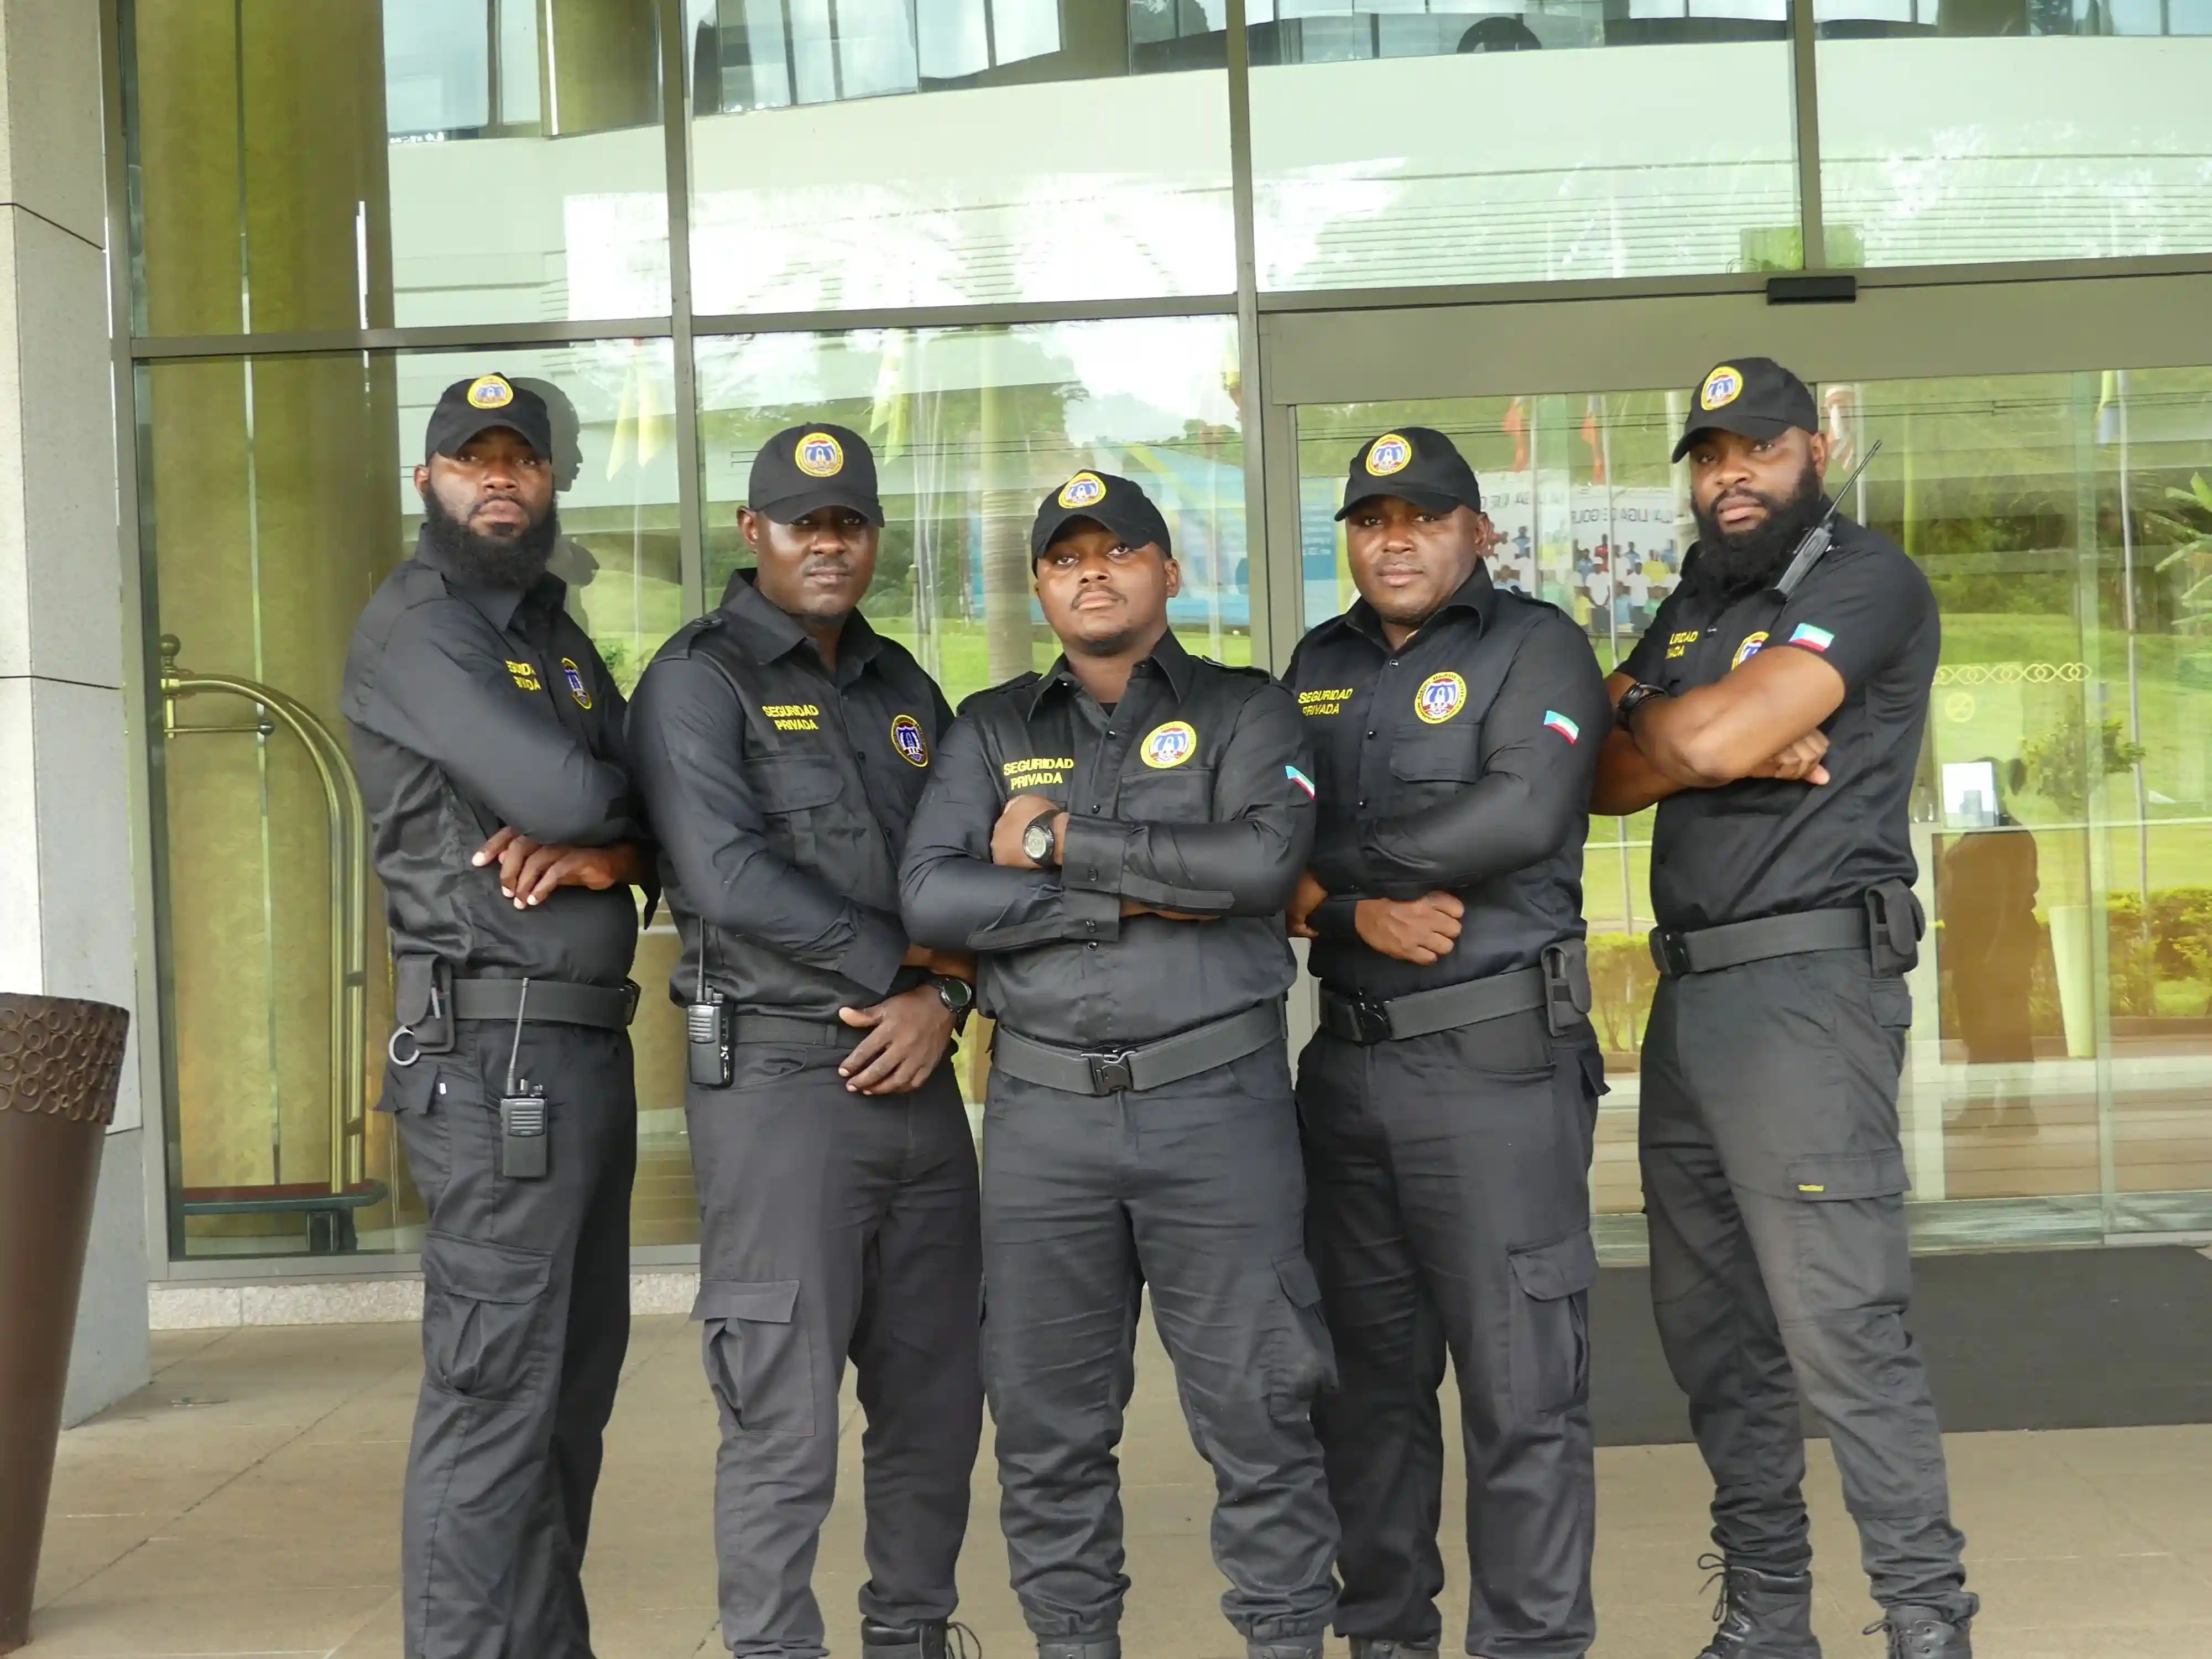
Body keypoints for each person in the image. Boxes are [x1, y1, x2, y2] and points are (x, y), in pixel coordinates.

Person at [900, 471, 1339, 1659]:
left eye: (1118, 550)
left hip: (1216, 1110)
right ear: (1041, 584)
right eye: (1064, 556)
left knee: (1258, 1412)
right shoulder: (990, 726)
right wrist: (1136, 899)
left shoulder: (1247, 710)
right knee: (1045, 1431)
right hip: (1043, 1122)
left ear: (1167, 571)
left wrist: (1054, 846)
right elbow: (932, 889)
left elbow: (1252, 872)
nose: (1091, 571)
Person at [1593, 357, 1975, 1659]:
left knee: (1841, 1331)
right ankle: (1766, 1619)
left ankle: (1927, 1622)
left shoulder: (1862, 581)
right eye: (1707, 457)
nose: (1727, 476)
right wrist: (1680, 716)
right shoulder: (1698, 604)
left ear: (1814, 447)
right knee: (1712, 1340)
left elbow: (1682, 757)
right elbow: (1602, 772)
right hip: (1693, 1000)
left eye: (1753, 449)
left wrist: (1690, 737)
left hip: (1810, 993)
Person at [624, 424, 984, 1659]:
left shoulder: (903, 687)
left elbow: (967, 869)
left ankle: (914, 1635)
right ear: (752, 534)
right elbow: (722, 875)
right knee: (783, 1409)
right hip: (779, 1081)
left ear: (872, 536)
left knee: (936, 1395)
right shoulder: (697, 679)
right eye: (800, 523)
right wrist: (900, 974)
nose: (826, 544)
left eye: (846, 523)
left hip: (920, 1080)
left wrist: (947, 1002)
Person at [1283, 428, 1611, 1659]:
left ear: (1477, 531)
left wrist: (1319, 882)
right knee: (1362, 1397)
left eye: (1422, 516)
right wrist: (1349, 909)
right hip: (1346, 1068)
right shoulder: (1313, 667)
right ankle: (1385, 1640)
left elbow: (1520, 811)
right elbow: (1256, 828)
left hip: (1493, 1068)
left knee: (1520, 1394)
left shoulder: (1535, 645)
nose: (1396, 538)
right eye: (1370, 520)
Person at [343, 372, 653, 1659]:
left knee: (565, 1402)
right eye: (470, 459)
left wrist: (617, 850)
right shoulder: (422, 628)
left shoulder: (552, 631)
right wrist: (616, 821)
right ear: (427, 479)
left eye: (519, 457)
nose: (498, 478)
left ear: (552, 478)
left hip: (576, 1040)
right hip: (491, 1057)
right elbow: (571, 790)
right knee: (493, 1399)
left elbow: (635, 798)